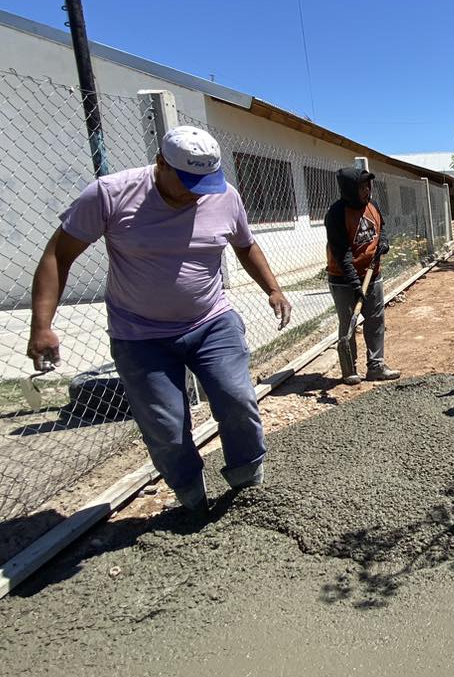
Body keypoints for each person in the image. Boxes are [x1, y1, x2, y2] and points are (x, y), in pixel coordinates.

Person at [26, 125, 293, 514]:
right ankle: (191, 497)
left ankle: (247, 482)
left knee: (237, 399)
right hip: (140, 334)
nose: (197, 192)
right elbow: (57, 255)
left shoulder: (224, 196)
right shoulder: (110, 194)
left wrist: (274, 288)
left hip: (211, 320)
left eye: (205, 182)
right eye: (188, 182)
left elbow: (245, 243)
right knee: (166, 428)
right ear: (161, 163)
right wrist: (42, 325)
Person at [324, 168, 400, 385]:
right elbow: (342, 254)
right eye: (361, 187)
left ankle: (376, 366)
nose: (367, 190)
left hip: (372, 273)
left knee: (375, 319)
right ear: (349, 190)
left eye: (368, 186)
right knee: (348, 322)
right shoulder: (336, 214)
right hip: (343, 278)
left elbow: (381, 228)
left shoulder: (372, 206)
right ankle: (349, 370)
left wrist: (383, 242)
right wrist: (355, 284)